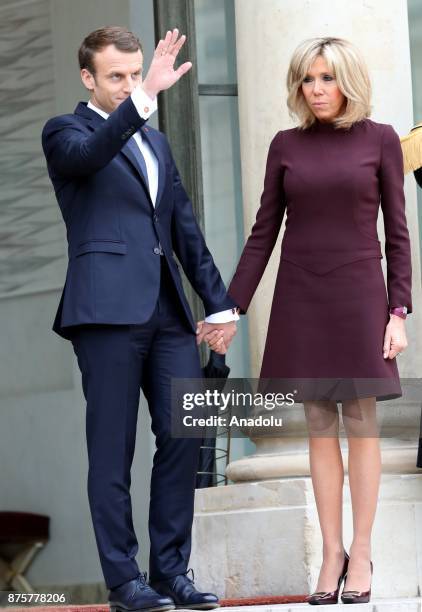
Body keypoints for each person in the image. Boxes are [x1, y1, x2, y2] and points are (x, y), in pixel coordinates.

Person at [41, 26, 237, 612]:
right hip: (105, 316)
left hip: (168, 313)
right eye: (117, 78)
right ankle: (125, 582)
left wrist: (219, 303)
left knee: (183, 436)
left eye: (135, 75)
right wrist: (143, 98)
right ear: (88, 78)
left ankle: (171, 571)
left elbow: (184, 227)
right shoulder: (65, 132)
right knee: (113, 450)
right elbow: (90, 155)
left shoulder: (156, 144)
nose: (128, 85)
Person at [217, 37, 412, 605]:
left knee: (362, 421)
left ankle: (364, 549)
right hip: (301, 292)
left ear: (347, 81)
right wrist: (232, 306)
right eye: (308, 79)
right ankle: (332, 553)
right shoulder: (285, 145)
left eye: (327, 78)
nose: (317, 89)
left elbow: (397, 234)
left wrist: (398, 311)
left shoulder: (380, 140)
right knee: (319, 426)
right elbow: (263, 234)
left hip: (358, 295)